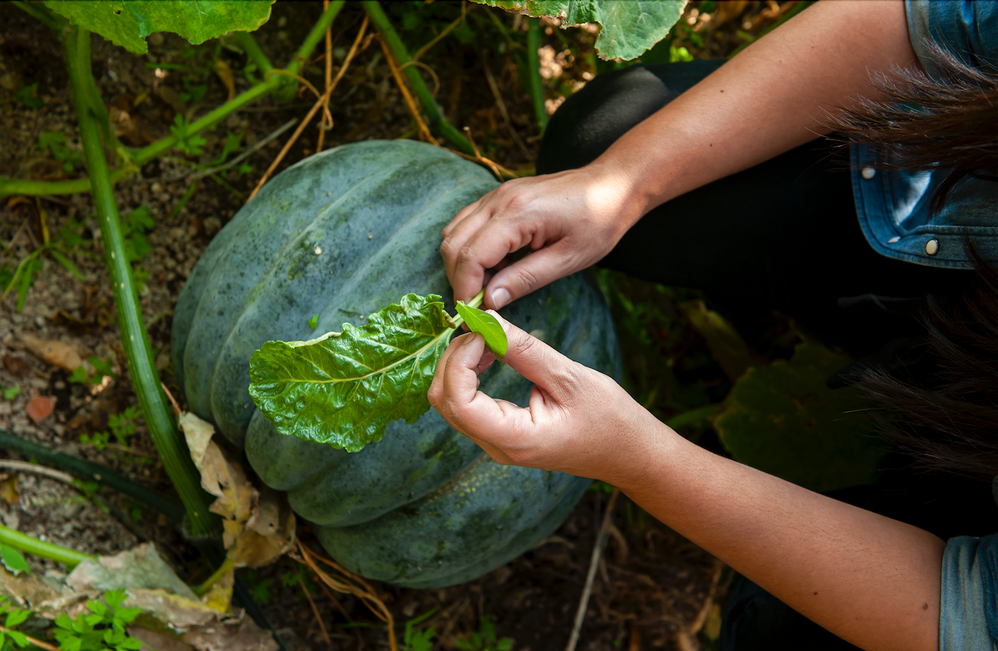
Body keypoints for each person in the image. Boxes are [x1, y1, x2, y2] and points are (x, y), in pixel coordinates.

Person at [428, 1, 997, 650]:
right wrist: (619, 185)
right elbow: (922, 24)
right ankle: (882, 336)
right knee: (603, 137)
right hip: (952, 236)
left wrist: (638, 456)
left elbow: (964, 615)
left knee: (775, 628)